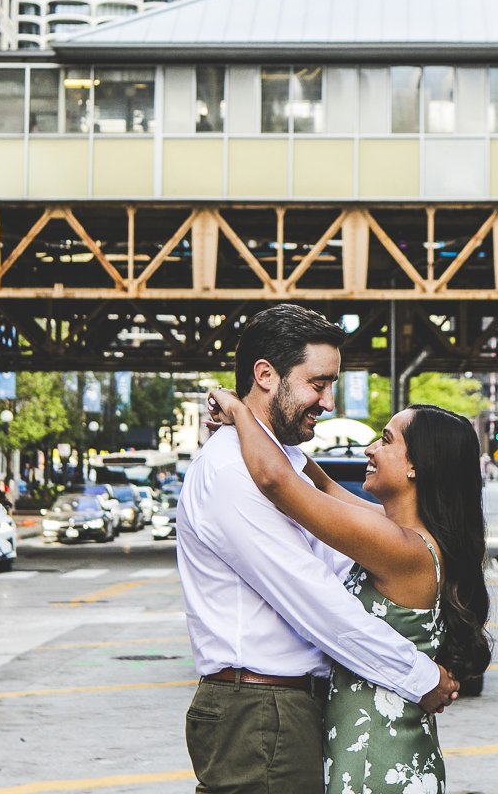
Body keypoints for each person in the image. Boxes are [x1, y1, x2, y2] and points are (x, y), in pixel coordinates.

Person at [175, 304, 461, 794]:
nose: (329, 403)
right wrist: (418, 675)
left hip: (288, 709)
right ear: (265, 375)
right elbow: (315, 602)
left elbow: (333, 543)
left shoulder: (279, 462)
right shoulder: (234, 472)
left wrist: (239, 411)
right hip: (261, 712)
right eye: (318, 383)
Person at [206, 387, 490, 794]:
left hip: (378, 759)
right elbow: (322, 487)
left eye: (387, 440)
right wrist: (270, 425)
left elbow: (278, 482)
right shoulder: (404, 536)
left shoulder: (401, 547)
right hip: (377, 749)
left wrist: (238, 410)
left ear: (416, 467)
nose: (370, 449)